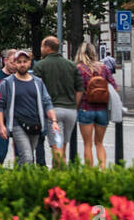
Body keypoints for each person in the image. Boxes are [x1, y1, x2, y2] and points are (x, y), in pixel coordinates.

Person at [0, 48, 58, 167]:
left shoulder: (38, 82)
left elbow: (47, 102)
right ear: (15, 64)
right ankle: (23, 181)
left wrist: (54, 121)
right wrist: (2, 126)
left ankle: (19, 180)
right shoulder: (7, 83)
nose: (22, 64)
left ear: (29, 63)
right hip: (17, 124)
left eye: (25, 61)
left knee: (26, 157)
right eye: (19, 62)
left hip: (35, 124)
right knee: (27, 156)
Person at [33, 36, 81, 166]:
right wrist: (74, 105)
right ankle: (56, 177)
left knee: (56, 148)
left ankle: (62, 178)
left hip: (53, 112)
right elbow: (80, 89)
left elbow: (36, 90)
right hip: (71, 111)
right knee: (62, 146)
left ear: (48, 48)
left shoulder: (40, 66)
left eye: (43, 46)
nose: (41, 49)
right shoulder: (71, 65)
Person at [75, 41, 118, 169]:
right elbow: (115, 88)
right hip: (102, 110)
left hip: (85, 108)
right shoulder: (103, 68)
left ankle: (90, 173)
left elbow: (77, 90)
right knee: (99, 143)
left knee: (87, 144)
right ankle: (103, 171)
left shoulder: (79, 69)